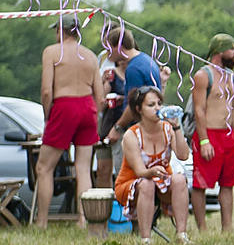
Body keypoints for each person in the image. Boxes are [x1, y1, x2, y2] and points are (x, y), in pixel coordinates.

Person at [35, 13, 103, 228]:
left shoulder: (52, 52)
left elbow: (47, 90)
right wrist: (94, 114)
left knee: (44, 167)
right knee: (83, 167)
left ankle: (42, 221)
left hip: (64, 106)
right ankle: (83, 219)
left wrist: (48, 116)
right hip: (87, 107)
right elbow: (99, 96)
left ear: (60, 31)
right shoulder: (91, 56)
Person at [114, 86, 191, 245]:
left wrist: (176, 127)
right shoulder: (131, 135)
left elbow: (183, 156)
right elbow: (140, 171)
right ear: (139, 109)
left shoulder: (167, 128)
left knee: (179, 180)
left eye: (159, 103)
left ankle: (182, 235)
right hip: (132, 183)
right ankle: (146, 239)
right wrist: (153, 171)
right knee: (147, 184)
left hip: (160, 182)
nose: (157, 108)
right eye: (151, 105)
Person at [190, 33, 234, 232]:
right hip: (209, 134)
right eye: (231, 49)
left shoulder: (230, 76)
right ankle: (202, 227)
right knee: (201, 183)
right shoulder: (203, 75)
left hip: (228, 136)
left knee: (228, 184)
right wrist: (204, 141)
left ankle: (227, 228)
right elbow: (199, 109)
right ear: (219, 52)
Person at [105, 28, 162, 157]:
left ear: (118, 47)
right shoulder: (147, 60)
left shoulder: (133, 69)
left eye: (109, 49)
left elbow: (134, 106)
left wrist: (117, 128)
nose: (108, 54)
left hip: (138, 130)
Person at [95, 57, 127, 188]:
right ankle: (103, 206)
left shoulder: (135, 73)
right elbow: (100, 105)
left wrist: (123, 99)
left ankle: (121, 204)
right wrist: (103, 82)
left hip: (125, 126)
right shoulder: (111, 74)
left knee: (122, 169)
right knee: (103, 170)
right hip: (107, 125)